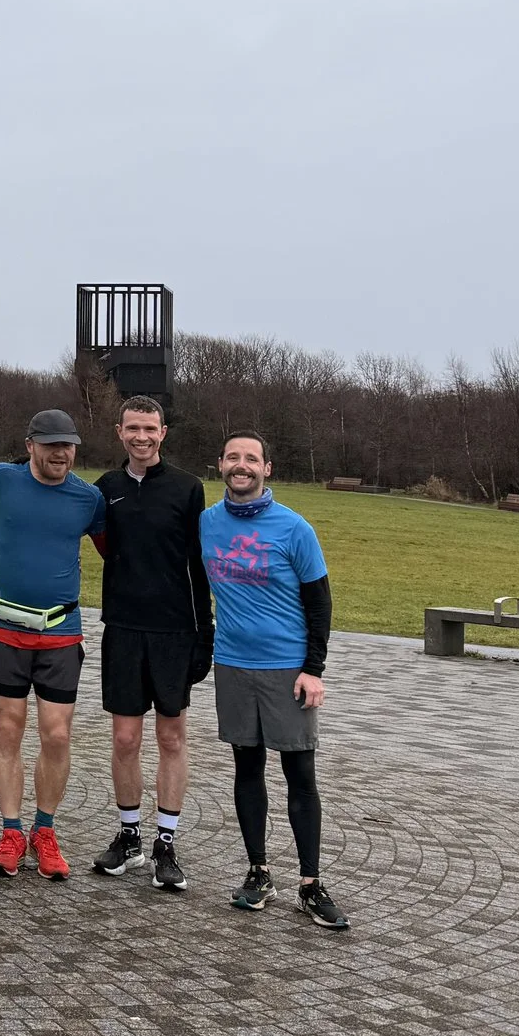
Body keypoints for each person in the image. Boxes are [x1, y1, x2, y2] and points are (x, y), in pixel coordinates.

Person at [204, 432, 349, 930]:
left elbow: (320, 604)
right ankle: (258, 871)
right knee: (247, 769)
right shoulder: (206, 523)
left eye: (251, 459)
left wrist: (314, 669)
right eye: (232, 458)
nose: (241, 466)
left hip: (288, 669)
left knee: (299, 774)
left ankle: (310, 883)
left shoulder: (294, 529)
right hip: (233, 664)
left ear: (267, 468)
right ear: (220, 464)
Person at [0, 408, 107, 881]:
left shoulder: (88, 498)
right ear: (30, 445)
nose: (60, 453)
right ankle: (11, 833)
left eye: (67, 445)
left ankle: (44, 831)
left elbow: (117, 551)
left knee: (57, 734)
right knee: (8, 729)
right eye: (50, 444)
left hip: (60, 633)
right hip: (3, 628)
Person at [90, 395, 212, 891]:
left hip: (175, 632)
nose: (142, 437)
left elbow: (200, 566)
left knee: (171, 738)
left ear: (163, 433)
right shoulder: (106, 489)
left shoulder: (188, 488)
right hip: (122, 629)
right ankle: (130, 836)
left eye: (151, 429)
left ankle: (167, 842)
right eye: (133, 428)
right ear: (119, 431)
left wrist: (205, 633)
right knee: (124, 739)